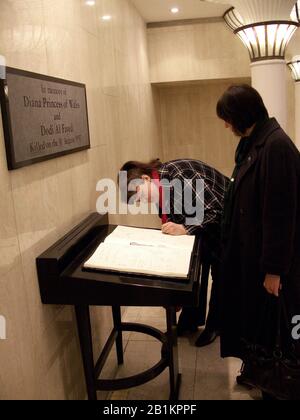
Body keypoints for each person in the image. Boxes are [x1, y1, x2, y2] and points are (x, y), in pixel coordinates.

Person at [216, 84, 300, 399]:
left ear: (242, 115)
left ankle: (278, 384)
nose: (225, 125)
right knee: (259, 326)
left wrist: (274, 270)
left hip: (275, 268)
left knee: (277, 333)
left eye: (227, 117)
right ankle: (260, 375)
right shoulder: (258, 142)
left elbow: (280, 215)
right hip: (254, 259)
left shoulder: (276, 147)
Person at [119, 158, 229, 347]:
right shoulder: (159, 185)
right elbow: (170, 217)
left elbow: (215, 212)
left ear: (145, 179)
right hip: (206, 226)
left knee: (220, 273)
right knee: (197, 268)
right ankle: (191, 320)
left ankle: (216, 325)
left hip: (227, 223)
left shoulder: (178, 179)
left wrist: (185, 228)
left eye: (139, 195)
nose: (142, 201)